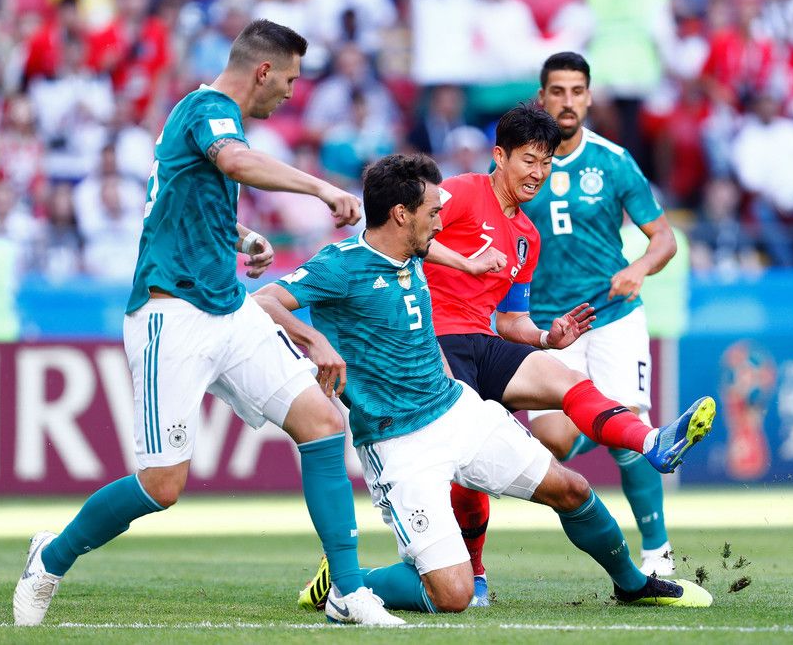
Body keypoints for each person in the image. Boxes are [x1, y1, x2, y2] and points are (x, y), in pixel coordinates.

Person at [12, 19, 402, 628]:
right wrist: (322, 190)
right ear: (263, 71)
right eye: (289, 80)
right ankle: (51, 557)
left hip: (228, 306)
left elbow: (181, 199)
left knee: (323, 423)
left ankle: (347, 592)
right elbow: (236, 162)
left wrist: (242, 238)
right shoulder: (210, 109)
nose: (291, 94)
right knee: (161, 485)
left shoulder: (198, 117)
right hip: (171, 316)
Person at [255, 153, 713, 614]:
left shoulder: (411, 251)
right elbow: (263, 300)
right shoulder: (340, 265)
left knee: (570, 489)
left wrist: (470, 271)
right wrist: (313, 340)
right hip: (397, 442)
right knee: (452, 595)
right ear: (401, 214)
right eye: (434, 212)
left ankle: (634, 585)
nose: (441, 222)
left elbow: (431, 283)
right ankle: (348, 582)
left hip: (456, 411)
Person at [422, 104, 715, 606]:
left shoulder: (527, 237)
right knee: (468, 458)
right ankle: (475, 573)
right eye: (528, 160)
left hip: (484, 341)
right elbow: (405, 236)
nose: (538, 173)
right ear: (500, 156)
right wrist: (465, 263)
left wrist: (546, 337)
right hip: (432, 340)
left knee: (567, 379)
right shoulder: (463, 191)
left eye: (546, 162)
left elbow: (511, 319)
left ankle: (652, 441)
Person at [520, 51, 684, 580]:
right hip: (549, 326)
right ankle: (617, 426)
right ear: (541, 98)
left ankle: (658, 553)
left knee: (630, 428)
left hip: (613, 314)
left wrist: (639, 267)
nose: (567, 102)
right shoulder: (520, 167)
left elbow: (664, 238)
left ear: (589, 97)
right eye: (557, 91)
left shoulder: (613, 161)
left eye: (577, 91)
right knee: (554, 441)